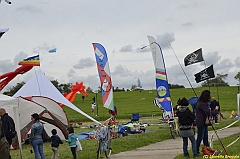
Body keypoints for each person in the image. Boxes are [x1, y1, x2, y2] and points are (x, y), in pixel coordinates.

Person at [195, 90, 219, 155]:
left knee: (205, 137)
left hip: (204, 122)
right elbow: (208, 113)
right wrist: (216, 110)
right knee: (200, 137)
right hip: (201, 122)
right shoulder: (202, 103)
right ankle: (196, 152)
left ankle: (207, 150)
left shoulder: (202, 102)